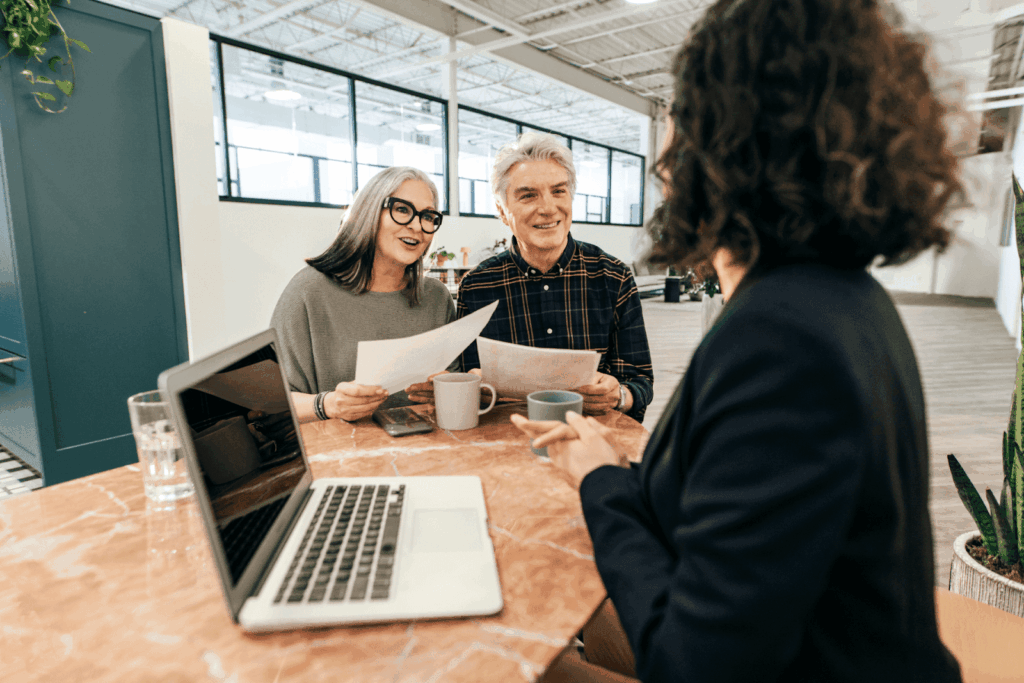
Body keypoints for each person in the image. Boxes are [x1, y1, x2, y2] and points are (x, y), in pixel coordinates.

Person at [512, 0, 965, 681]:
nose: (662, 154)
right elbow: (730, 506)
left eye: (680, 113)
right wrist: (613, 470)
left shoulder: (781, 339)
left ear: (723, 139)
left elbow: (694, 662)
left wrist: (602, 481)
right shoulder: (836, 297)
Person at [450, 132, 654, 422]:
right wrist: (474, 386)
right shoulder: (477, 287)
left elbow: (640, 381)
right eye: (528, 195)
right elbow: (470, 381)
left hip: (593, 443)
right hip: (508, 444)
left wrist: (619, 394)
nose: (548, 208)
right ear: (501, 211)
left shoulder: (614, 277)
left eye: (558, 191)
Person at [271, 167, 454, 423]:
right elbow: (269, 406)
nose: (417, 226)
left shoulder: (436, 297)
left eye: (428, 216)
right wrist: (329, 404)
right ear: (369, 212)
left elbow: (452, 380)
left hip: (428, 451)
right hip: (341, 455)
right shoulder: (308, 291)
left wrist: (443, 392)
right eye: (402, 209)